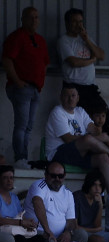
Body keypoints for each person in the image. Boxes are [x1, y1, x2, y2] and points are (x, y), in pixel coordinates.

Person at [45, 84, 109, 192]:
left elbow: (94, 130)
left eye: (73, 95)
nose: (70, 98)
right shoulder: (57, 112)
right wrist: (102, 140)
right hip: (58, 153)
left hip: (79, 152)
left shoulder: (80, 111)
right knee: (89, 139)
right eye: (67, 96)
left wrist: (98, 130)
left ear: (78, 98)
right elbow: (68, 139)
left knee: (103, 157)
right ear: (61, 97)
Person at [2, 6, 50, 168]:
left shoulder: (40, 40)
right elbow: (8, 60)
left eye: (36, 17)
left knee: (29, 126)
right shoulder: (16, 37)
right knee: (22, 125)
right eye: (30, 17)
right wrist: (17, 81)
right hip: (21, 88)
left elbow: (44, 63)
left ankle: (24, 158)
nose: (34, 20)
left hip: (35, 88)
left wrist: (40, 83)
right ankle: (20, 158)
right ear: (22, 19)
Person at [24, 162, 90, 242]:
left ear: (64, 176)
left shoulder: (68, 193)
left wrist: (68, 232)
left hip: (60, 236)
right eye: (53, 176)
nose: (57, 179)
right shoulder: (39, 185)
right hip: (40, 233)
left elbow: (71, 221)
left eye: (60, 176)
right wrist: (47, 230)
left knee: (82, 234)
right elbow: (38, 204)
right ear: (46, 175)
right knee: (49, 239)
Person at [58, 8, 105, 110]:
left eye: (80, 22)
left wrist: (87, 40)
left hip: (90, 86)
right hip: (73, 86)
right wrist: (91, 61)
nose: (78, 25)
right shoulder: (64, 41)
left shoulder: (85, 39)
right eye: (74, 21)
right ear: (67, 23)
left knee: (101, 110)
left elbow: (101, 56)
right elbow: (73, 62)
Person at [0, 166, 37, 242]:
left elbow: (19, 216)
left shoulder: (14, 197)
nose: (9, 180)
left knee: (38, 241)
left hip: (14, 230)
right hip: (3, 231)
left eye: (11, 178)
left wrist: (28, 223)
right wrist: (21, 223)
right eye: (5, 178)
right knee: (13, 240)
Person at [71, 170, 106, 242]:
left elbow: (97, 224)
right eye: (94, 185)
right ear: (89, 184)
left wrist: (100, 205)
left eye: (100, 186)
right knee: (97, 240)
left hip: (90, 233)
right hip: (76, 233)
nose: (97, 188)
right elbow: (75, 226)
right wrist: (95, 230)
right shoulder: (77, 197)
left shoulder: (97, 199)